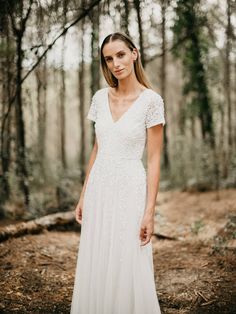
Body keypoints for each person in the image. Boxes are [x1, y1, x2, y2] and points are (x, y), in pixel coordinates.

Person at [70, 32, 165, 314]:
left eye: (120, 55)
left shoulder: (151, 101)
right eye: (109, 59)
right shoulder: (100, 98)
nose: (115, 63)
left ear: (134, 53)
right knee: (98, 255)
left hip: (130, 187)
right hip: (100, 187)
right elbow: (97, 149)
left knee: (127, 257)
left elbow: (155, 158)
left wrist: (150, 211)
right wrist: (83, 195)